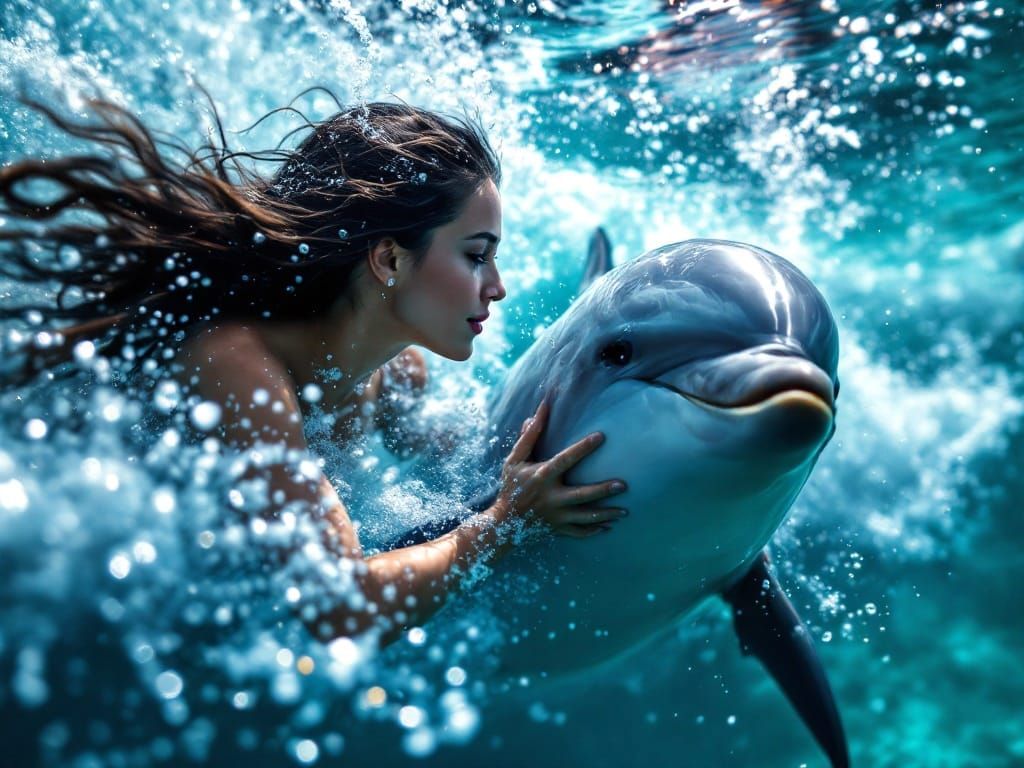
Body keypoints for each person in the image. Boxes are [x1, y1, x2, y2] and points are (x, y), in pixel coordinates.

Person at [0, 95, 629, 646]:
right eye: (475, 256)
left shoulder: (398, 370)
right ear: (388, 259)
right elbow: (336, 610)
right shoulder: (236, 365)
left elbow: (456, 466)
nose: (497, 286)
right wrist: (500, 527)